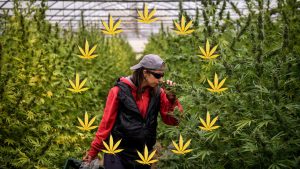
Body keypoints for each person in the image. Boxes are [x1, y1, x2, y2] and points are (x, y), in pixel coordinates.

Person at [83, 54, 183, 169]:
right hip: (117, 153)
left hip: (144, 155)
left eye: (162, 75)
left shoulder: (158, 93)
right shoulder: (118, 91)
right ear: (145, 73)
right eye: (157, 75)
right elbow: (106, 124)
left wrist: (172, 99)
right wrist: (93, 152)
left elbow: (173, 121)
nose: (160, 79)